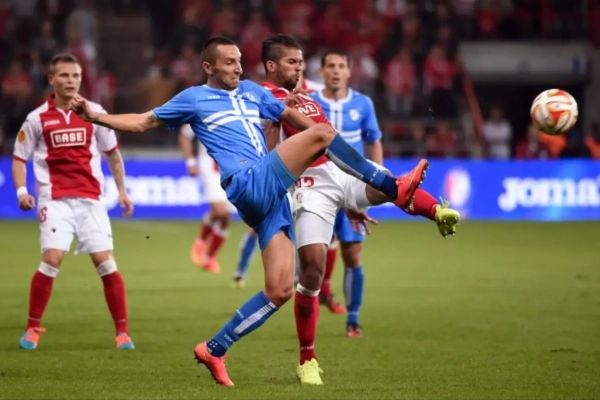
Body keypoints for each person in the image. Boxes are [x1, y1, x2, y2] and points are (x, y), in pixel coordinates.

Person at [69, 36, 427, 386]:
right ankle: (393, 187)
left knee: (281, 290)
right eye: (229, 62)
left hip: (272, 195)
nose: (238, 67)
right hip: (247, 180)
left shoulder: (253, 91)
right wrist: (94, 116)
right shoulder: (193, 98)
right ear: (208, 67)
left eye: (240, 61)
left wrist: (326, 139)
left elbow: (289, 115)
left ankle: (215, 349)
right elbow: (142, 121)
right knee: (323, 135)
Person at [311, 50, 461, 337]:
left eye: (341, 66)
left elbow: (373, 141)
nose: (336, 71)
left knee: (352, 255)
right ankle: (317, 304)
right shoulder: (312, 103)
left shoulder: (362, 103)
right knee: (315, 256)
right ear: (321, 72)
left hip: (354, 185)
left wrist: (376, 178)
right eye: (330, 65)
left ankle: (353, 320)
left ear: (349, 71)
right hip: (321, 185)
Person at [12, 54, 135, 350]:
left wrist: (122, 190)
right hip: (55, 199)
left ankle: (122, 333)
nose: (71, 81)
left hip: (91, 199)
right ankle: (32, 329)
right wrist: (21, 191)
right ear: (51, 79)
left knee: (105, 262)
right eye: (65, 75)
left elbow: (113, 154)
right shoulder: (36, 118)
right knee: (52, 258)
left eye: (76, 75)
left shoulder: (95, 113)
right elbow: (18, 157)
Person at [178, 124, 237, 272]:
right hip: (210, 168)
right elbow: (184, 135)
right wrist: (191, 162)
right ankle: (201, 242)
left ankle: (210, 257)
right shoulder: (202, 113)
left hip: (232, 169)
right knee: (221, 211)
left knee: (225, 216)